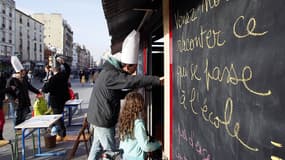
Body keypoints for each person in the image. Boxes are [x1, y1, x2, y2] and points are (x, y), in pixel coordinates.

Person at [87, 29, 164, 160]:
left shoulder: (109, 71)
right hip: (102, 119)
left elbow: (115, 94)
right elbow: (131, 81)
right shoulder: (111, 75)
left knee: (97, 147)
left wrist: (132, 93)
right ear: (127, 66)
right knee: (110, 152)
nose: (132, 74)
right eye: (133, 70)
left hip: (97, 117)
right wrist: (157, 81)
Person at [118, 92, 161, 160]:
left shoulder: (125, 121)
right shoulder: (138, 124)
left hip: (125, 156)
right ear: (139, 106)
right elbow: (146, 147)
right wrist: (159, 144)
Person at [42, 56, 70, 141]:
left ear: (53, 69)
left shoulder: (53, 78)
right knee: (59, 116)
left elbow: (45, 89)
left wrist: (48, 76)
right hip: (63, 99)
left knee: (57, 117)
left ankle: (61, 134)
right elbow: (68, 70)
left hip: (55, 100)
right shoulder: (63, 75)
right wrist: (63, 63)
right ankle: (60, 132)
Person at [0, 72, 15, 140]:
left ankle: (0, 136)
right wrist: (9, 89)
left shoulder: (2, 78)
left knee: (2, 121)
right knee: (2, 120)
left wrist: (5, 96)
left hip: (1, 102)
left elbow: (3, 89)